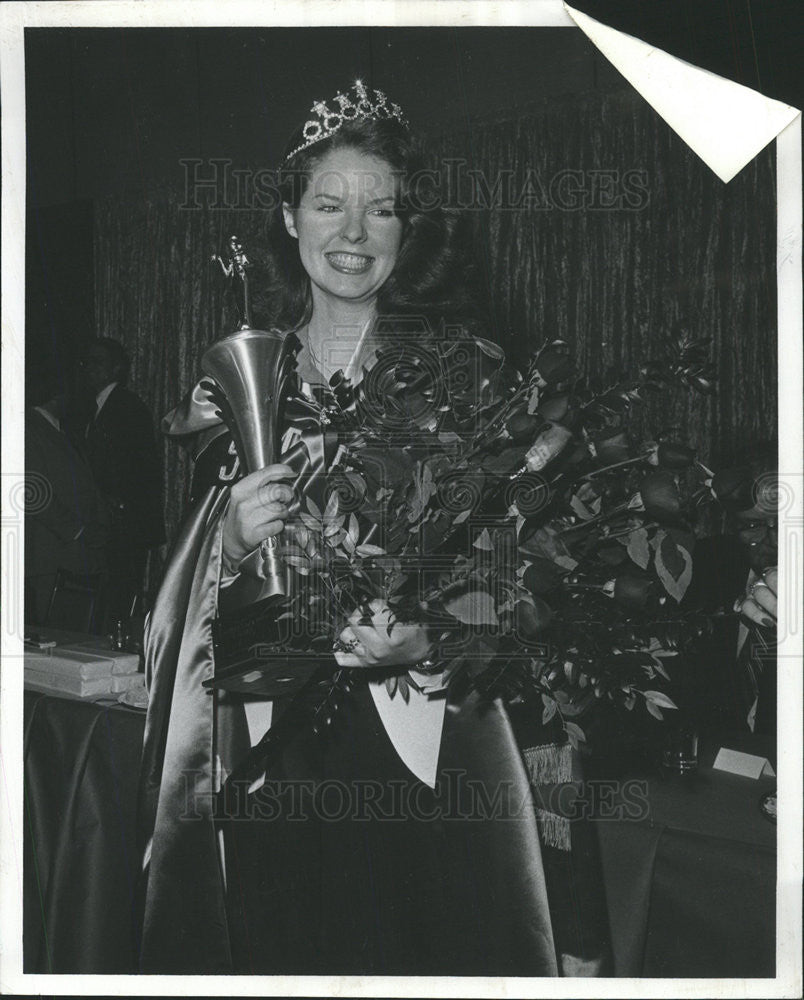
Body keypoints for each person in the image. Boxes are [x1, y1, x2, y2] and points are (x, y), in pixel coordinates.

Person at [138, 81, 609, 976]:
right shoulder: (239, 386)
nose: (353, 233)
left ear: (407, 229)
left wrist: (430, 634)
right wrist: (230, 546)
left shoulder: (472, 376)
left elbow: (524, 563)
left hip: (433, 736)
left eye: (380, 209)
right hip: (278, 742)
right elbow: (192, 598)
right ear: (289, 218)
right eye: (329, 204)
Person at [79, 337, 165, 622]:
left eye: (97, 362)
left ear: (116, 369)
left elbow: (135, 469)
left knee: (118, 599)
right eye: (87, 362)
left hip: (124, 525)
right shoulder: (100, 407)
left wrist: (114, 505)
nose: (89, 368)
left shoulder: (126, 406)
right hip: (114, 523)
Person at [24, 390, 109, 626]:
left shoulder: (60, 429)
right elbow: (30, 492)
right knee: (49, 647)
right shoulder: (27, 427)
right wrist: (79, 530)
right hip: (46, 556)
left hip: (70, 557)